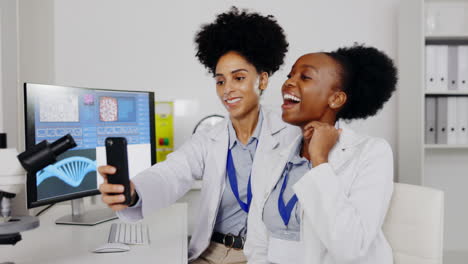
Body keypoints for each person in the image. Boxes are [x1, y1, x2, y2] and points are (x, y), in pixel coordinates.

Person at [98, 7, 298, 263]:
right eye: (220, 81)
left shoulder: (292, 132)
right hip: (213, 253)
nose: (228, 89)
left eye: (238, 78)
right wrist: (134, 191)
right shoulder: (209, 138)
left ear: (262, 80)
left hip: (267, 255)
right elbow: (171, 172)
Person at [244, 44, 398, 264]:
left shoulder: (371, 152)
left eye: (305, 77)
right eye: (290, 75)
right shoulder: (273, 156)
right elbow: (257, 245)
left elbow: (351, 247)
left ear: (336, 99)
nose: (289, 82)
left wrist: (320, 160)